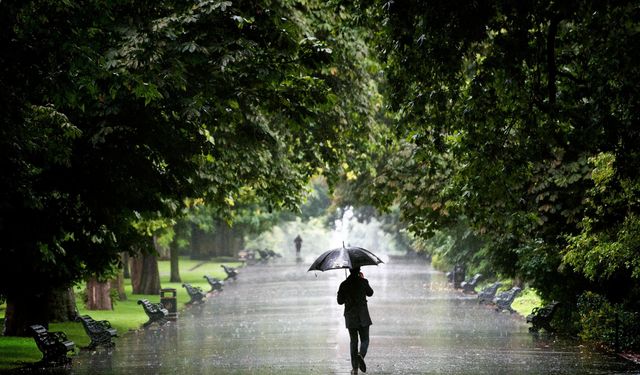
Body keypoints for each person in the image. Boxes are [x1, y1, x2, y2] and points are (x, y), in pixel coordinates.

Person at [337, 266, 374, 374]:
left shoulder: (344, 284)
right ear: (359, 270)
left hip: (350, 317)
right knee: (365, 340)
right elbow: (370, 293)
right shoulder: (363, 282)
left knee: (353, 341)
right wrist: (363, 280)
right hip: (363, 316)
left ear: (349, 270)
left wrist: (344, 292)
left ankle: (355, 368)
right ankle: (360, 355)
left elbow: (340, 301)